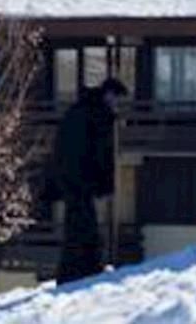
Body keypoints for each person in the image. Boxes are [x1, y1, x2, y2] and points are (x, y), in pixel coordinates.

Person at [51, 77, 128, 284]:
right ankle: (83, 271)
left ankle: (77, 271)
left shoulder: (79, 110)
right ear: (108, 95)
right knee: (84, 227)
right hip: (80, 181)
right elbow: (101, 153)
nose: (116, 105)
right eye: (116, 100)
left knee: (78, 225)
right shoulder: (97, 115)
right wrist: (104, 183)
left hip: (71, 180)